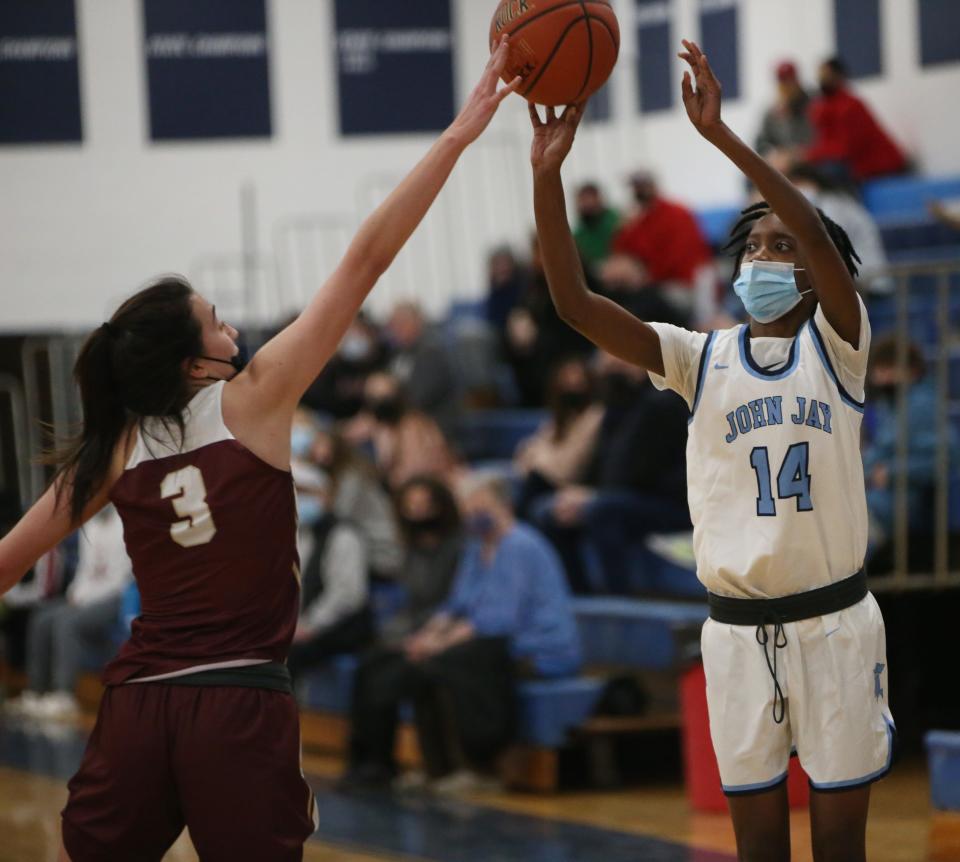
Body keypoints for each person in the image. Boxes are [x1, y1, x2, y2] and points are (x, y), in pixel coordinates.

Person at [0, 39, 519, 862]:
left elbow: (3, 565)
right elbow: (366, 258)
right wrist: (458, 134)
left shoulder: (113, 447)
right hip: (238, 702)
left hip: (136, 704)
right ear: (194, 362)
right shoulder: (257, 398)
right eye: (217, 321)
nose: (234, 328)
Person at [527, 38, 892, 862]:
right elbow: (575, 303)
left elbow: (819, 237)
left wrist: (723, 138)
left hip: (833, 626)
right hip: (732, 635)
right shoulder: (701, 358)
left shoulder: (840, 346)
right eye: (754, 245)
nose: (764, 254)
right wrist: (547, 176)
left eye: (783, 246)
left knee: (841, 851)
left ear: (815, 269)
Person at [343, 471, 581, 792]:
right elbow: (456, 604)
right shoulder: (476, 547)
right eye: (467, 506)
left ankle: (479, 766)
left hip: (537, 647)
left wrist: (438, 646)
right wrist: (427, 637)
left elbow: (500, 618)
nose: (471, 513)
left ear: (503, 504)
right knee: (399, 663)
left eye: (478, 505)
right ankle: (432, 768)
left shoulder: (520, 546)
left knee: (444, 664)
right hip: (490, 639)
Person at [526, 352, 691, 593]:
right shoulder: (617, 402)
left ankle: (620, 602)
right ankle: (578, 595)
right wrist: (581, 492)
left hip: (669, 502)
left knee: (602, 511)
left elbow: (638, 471)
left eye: (620, 358)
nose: (612, 365)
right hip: (625, 494)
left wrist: (592, 496)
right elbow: (604, 461)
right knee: (547, 511)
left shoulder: (662, 401)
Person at [6, 505, 132, 721]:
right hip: (86, 595)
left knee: (67, 622)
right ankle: (37, 693)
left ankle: (65, 697)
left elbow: (118, 579)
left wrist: (84, 601)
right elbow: (85, 568)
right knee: (42, 618)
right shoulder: (89, 524)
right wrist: (76, 594)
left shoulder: (125, 525)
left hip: (115, 598)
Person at [863, 337, 955, 569]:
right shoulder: (891, 405)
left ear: (912, 371)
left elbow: (947, 457)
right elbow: (878, 453)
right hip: (875, 500)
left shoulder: (923, 405)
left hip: (900, 504)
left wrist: (891, 473)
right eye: (879, 369)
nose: (881, 376)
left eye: (889, 369)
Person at [286, 464, 373, 681]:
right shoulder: (298, 533)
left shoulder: (344, 535)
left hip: (337, 627)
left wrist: (309, 625)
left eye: (306, 492)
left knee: (286, 657)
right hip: (301, 623)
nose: (298, 498)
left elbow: (347, 596)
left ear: (324, 496)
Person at [379, 476, 464, 646]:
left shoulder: (461, 546)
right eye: (411, 505)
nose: (418, 511)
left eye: (425, 504)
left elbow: (461, 597)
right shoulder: (408, 549)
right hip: (413, 620)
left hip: (449, 621)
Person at [514, 356, 604, 517]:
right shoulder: (559, 418)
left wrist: (540, 457)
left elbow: (567, 469)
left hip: (570, 484)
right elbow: (525, 454)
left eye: (577, 378)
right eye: (566, 379)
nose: (571, 384)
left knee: (534, 483)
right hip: (545, 478)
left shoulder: (594, 416)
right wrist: (542, 457)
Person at [310, 424, 403, 578]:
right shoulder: (330, 476)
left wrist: (315, 494)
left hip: (383, 549)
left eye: (325, 445)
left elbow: (340, 514)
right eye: (316, 446)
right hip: (365, 544)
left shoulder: (352, 477)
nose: (320, 452)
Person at [787, 162, 892, 295]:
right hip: (849, 277)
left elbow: (828, 245)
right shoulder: (824, 204)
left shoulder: (835, 206)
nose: (796, 189)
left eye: (798, 183)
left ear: (812, 183)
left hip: (867, 281)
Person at [345, 371, 457, 490]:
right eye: (376, 398)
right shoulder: (373, 426)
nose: (384, 404)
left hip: (438, 483)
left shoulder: (417, 422)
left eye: (387, 397)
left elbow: (439, 460)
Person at [806, 57, 907, 185]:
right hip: (859, 167)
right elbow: (826, 142)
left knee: (828, 172)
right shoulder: (823, 107)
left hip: (882, 167)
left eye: (826, 75)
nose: (822, 80)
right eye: (820, 75)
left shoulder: (850, 106)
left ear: (839, 77)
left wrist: (807, 155)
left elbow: (844, 149)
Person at [611, 170, 714, 290]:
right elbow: (622, 251)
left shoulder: (676, 213)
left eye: (642, 186)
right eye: (636, 187)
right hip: (656, 280)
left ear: (653, 186)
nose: (638, 191)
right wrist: (626, 227)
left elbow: (680, 256)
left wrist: (650, 276)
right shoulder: (638, 219)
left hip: (684, 281)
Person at [385, 301, 462, 440]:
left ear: (418, 321)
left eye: (402, 322)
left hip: (434, 423)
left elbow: (420, 397)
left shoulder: (432, 352)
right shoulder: (398, 353)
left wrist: (384, 414)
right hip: (403, 419)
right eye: (394, 324)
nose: (397, 329)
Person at [754, 61, 813, 159]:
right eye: (782, 82)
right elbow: (761, 143)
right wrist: (772, 154)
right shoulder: (772, 112)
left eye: (790, 81)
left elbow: (816, 140)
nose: (786, 86)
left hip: (809, 162)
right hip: (782, 163)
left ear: (797, 81)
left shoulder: (813, 105)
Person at [572, 182, 620, 270]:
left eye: (588, 199)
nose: (585, 204)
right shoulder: (578, 234)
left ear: (598, 199)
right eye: (582, 200)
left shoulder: (615, 221)